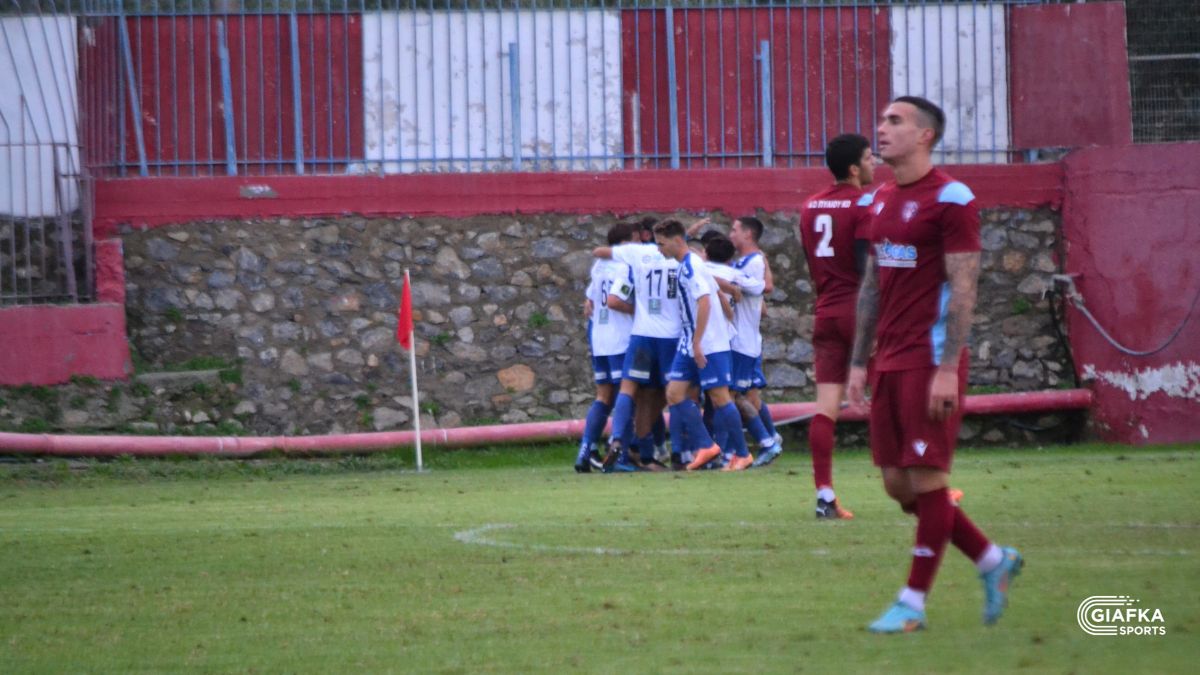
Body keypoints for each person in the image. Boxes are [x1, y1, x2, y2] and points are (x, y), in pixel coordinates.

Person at [847, 96, 1022, 633]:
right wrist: (858, 362)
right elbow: (872, 286)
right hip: (888, 360)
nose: (881, 128)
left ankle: (912, 604)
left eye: (895, 121)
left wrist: (949, 368)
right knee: (898, 485)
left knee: (927, 478)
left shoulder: (952, 199)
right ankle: (992, 560)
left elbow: (965, 289)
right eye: (882, 119)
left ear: (925, 135)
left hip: (930, 360)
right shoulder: (879, 198)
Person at [795, 134, 876, 517]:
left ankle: (825, 494)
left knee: (825, 408)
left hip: (826, 310)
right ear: (855, 168)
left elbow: (812, 263)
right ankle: (928, 485)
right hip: (858, 311)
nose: (875, 163)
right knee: (898, 400)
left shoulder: (810, 205)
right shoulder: (865, 204)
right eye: (870, 157)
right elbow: (866, 268)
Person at [652, 221, 748, 471]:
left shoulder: (691, 266)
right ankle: (706, 446)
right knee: (674, 393)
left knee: (720, 397)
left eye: (661, 243)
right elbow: (715, 291)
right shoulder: (690, 263)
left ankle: (743, 454)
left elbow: (704, 301)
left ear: (677, 240)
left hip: (707, 342)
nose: (659, 249)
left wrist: (697, 342)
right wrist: (727, 313)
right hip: (690, 340)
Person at [592, 221, 683, 472]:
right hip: (670, 338)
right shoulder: (682, 260)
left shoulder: (637, 256)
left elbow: (600, 253)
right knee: (673, 394)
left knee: (629, 389)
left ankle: (619, 441)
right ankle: (676, 453)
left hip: (641, 336)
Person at [575, 222, 637, 472]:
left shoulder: (599, 265)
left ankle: (585, 449)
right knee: (627, 394)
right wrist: (640, 311)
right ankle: (618, 454)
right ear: (625, 243)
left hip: (599, 338)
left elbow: (589, 302)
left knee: (603, 396)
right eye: (634, 240)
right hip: (620, 339)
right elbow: (614, 301)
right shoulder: (624, 266)